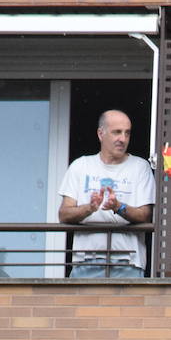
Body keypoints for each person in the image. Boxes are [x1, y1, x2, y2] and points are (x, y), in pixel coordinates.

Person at [58, 110, 155, 278]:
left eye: (127, 133)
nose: (123, 139)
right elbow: (64, 214)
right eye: (117, 132)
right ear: (100, 134)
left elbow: (145, 215)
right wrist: (90, 208)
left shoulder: (140, 166)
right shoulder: (81, 166)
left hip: (128, 262)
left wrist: (118, 206)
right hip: (86, 261)